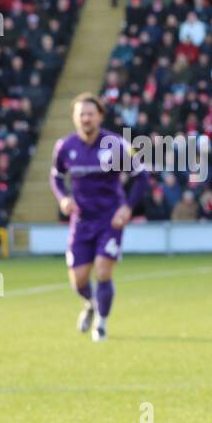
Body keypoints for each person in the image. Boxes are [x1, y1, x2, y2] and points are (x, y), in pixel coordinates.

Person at [49, 93, 147, 341]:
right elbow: (56, 177)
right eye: (81, 114)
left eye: (90, 113)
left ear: (100, 116)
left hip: (109, 218)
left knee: (103, 271)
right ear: (74, 117)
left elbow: (140, 176)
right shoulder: (65, 146)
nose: (85, 118)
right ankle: (91, 304)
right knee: (79, 279)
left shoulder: (115, 144)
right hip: (81, 221)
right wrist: (63, 198)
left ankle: (101, 323)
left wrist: (128, 208)